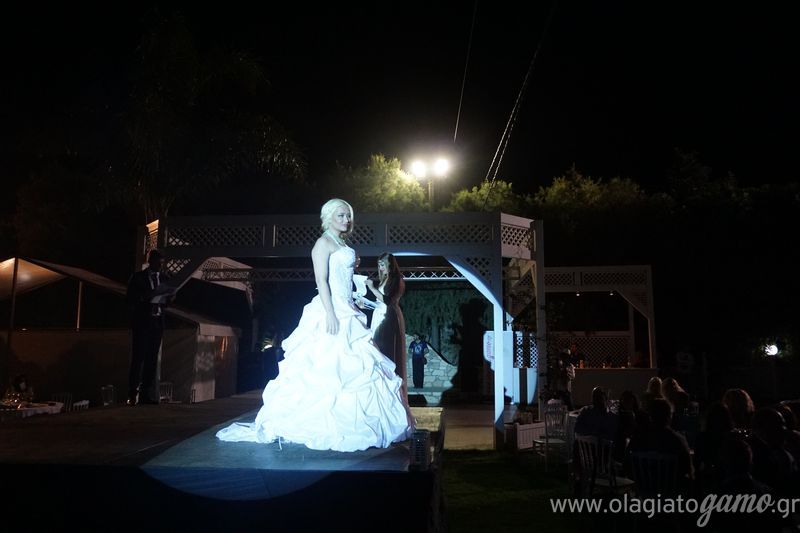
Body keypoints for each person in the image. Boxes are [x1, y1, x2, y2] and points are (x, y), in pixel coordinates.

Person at [216, 199, 413, 451]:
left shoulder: (342, 244)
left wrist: (352, 296)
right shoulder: (322, 243)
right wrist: (330, 313)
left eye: (348, 216)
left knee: (360, 363)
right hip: (331, 308)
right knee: (327, 364)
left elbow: (343, 279)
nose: (346, 220)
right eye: (341, 215)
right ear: (329, 216)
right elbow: (321, 280)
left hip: (347, 307)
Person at [125, 248, 170, 406]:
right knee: (138, 357)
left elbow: (166, 302)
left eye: (162, 263)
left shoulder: (164, 278)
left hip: (157, 321)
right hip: (143, 322)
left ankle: (146, 394)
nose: (160, 266)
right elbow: (130, 298)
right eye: (158, 262)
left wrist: (170, 296)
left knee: (152, 358)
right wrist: (147, 296)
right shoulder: (138, 278)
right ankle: (132, 393)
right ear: (150, 261)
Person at [367, 253, 407, 388]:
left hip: (388, 316)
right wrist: (366, 304)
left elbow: (388, 300)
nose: (380, 268)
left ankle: (389, 386)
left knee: (386, 350)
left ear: (390, 264)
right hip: (378, 314)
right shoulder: (384, 279)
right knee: (377, 348)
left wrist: (372, 288)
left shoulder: (397, 280)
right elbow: (379, 301)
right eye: (379, 265)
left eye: (382, 264)